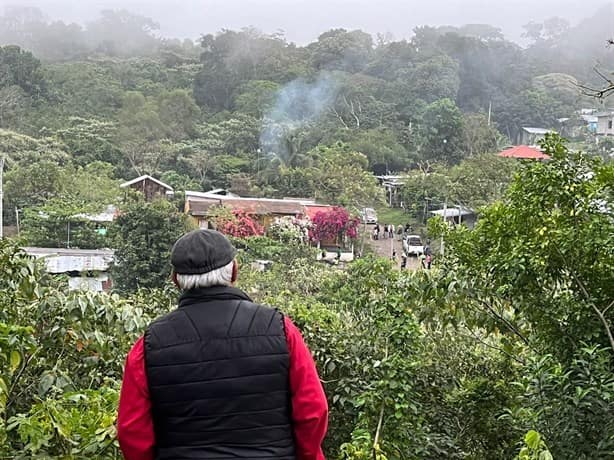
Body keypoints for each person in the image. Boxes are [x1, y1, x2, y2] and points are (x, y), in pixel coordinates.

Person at [117, 229, 328, 460]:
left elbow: (132, 432)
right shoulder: (279, 328)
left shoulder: (150, 345)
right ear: (234, 271)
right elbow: (313, 412)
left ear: (175, 280)